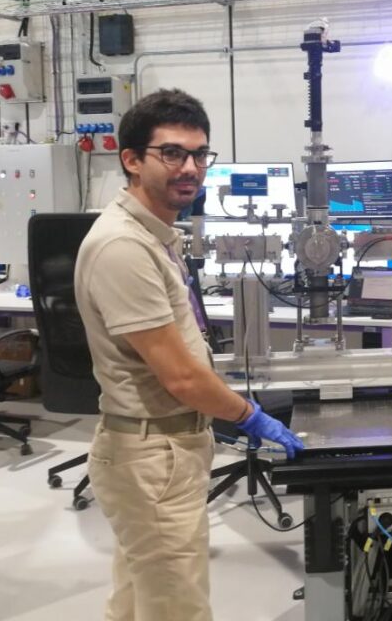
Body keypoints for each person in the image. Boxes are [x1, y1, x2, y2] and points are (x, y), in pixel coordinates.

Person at [75, 88, 304, 621]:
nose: (191, 167)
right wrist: (251, 417)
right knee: (177, 608)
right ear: (131, 160)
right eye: (172, 153)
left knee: (139, 599)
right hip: (151, 456)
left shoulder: (155, 236)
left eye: (200, 154)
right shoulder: (123, 247)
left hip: (165, 447)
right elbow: (179, 376)